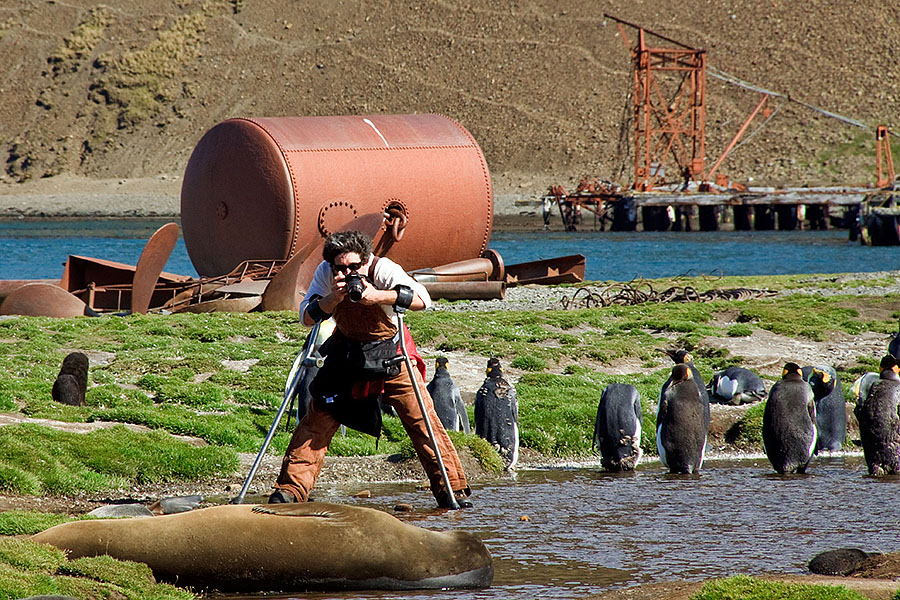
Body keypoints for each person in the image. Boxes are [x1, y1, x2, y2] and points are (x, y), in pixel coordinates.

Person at [270, 230, 473, 509]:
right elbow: (307, 317)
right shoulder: (326, 273)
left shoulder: (383, 269)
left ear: (365, 260)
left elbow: (423, 300)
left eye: (354, 267)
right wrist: (332, 298)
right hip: (347, 356)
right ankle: (290, 490)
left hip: (393, 355)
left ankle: (451, 489)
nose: (348, 272)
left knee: (422, 421)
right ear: (331, 265)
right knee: (317, 421)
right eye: (340, 268)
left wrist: (378, 295)